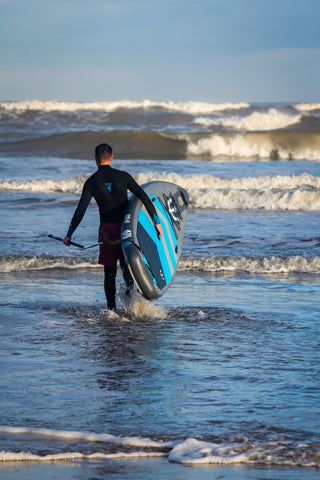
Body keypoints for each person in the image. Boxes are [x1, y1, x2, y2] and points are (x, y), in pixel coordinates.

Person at [64, 143, 163, 311]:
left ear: (95, 159)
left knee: (109, 274)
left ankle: (112, 311)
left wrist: (69, 234)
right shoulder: (123, 176)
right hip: (126, 229)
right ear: (111, 158)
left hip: (107, 232)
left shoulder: (91, 182)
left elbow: (81, 210)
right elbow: (144, 197)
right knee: (127, 269)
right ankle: (130, 307)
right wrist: (157, 223)